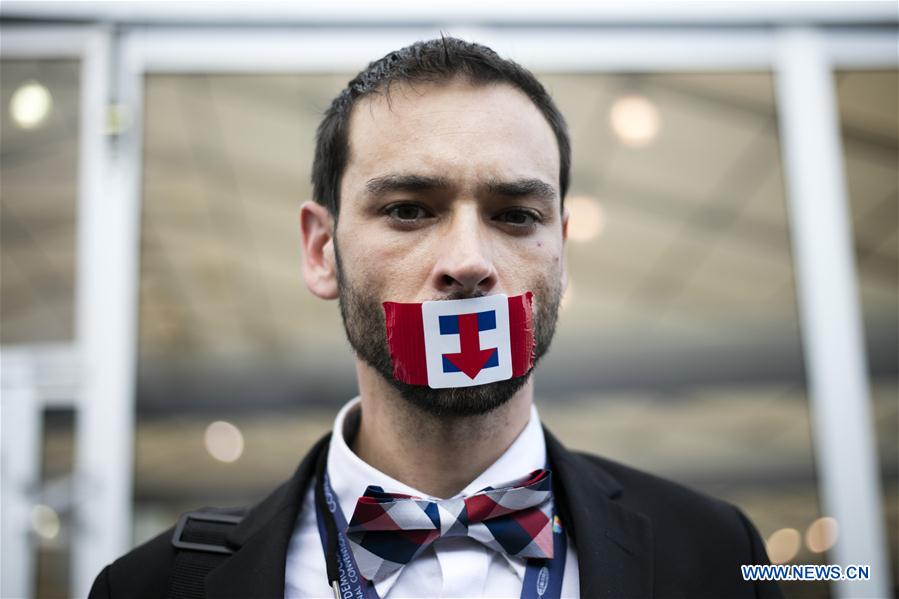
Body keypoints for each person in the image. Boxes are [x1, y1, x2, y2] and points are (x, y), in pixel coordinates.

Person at [89, 37, 782, 599]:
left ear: (561, 255)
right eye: (409, 209)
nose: (467, 260)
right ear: (321, 250)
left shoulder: (718, 556)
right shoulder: (152, 587)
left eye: (515, 215)